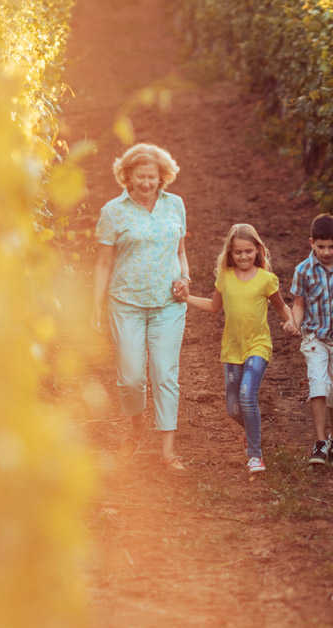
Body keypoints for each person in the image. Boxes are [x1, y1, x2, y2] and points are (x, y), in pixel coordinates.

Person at [91, 143, 193, 472]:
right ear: (127, 177)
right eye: (140, 177)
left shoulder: (175, 205)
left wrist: (186, 278)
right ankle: (136, 428)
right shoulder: (113, 211)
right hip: (127, 303)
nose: (147, 183)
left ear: (162, 177)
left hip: (168, 304)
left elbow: (180, 252)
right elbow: (104, 263)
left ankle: (168, 452)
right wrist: (96, 303)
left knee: (165, 374)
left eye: (152, 176)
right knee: (131, 377)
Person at [183, 224, 298, 474]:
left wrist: (290, 320)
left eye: (248, 251)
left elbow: (281, 306)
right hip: (232, 350)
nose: (243, 256)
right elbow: (214, 306)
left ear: (257, 250)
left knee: (247, 395)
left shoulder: (266, 279)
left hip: (258, 346)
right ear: (230, 253)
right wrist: (187, 298)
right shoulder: (225, 277)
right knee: (233, 408)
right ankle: (252, 429)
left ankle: (255, 455)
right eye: (238, 252)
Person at [289, 214, 333, 466]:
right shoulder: (303, 271)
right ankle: (319, 442)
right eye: (320, 247)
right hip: (314, 337)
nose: (326, 252)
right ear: (311, 243)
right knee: (318, 383)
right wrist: (293, 323)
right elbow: (299, 305)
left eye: (332, 246)